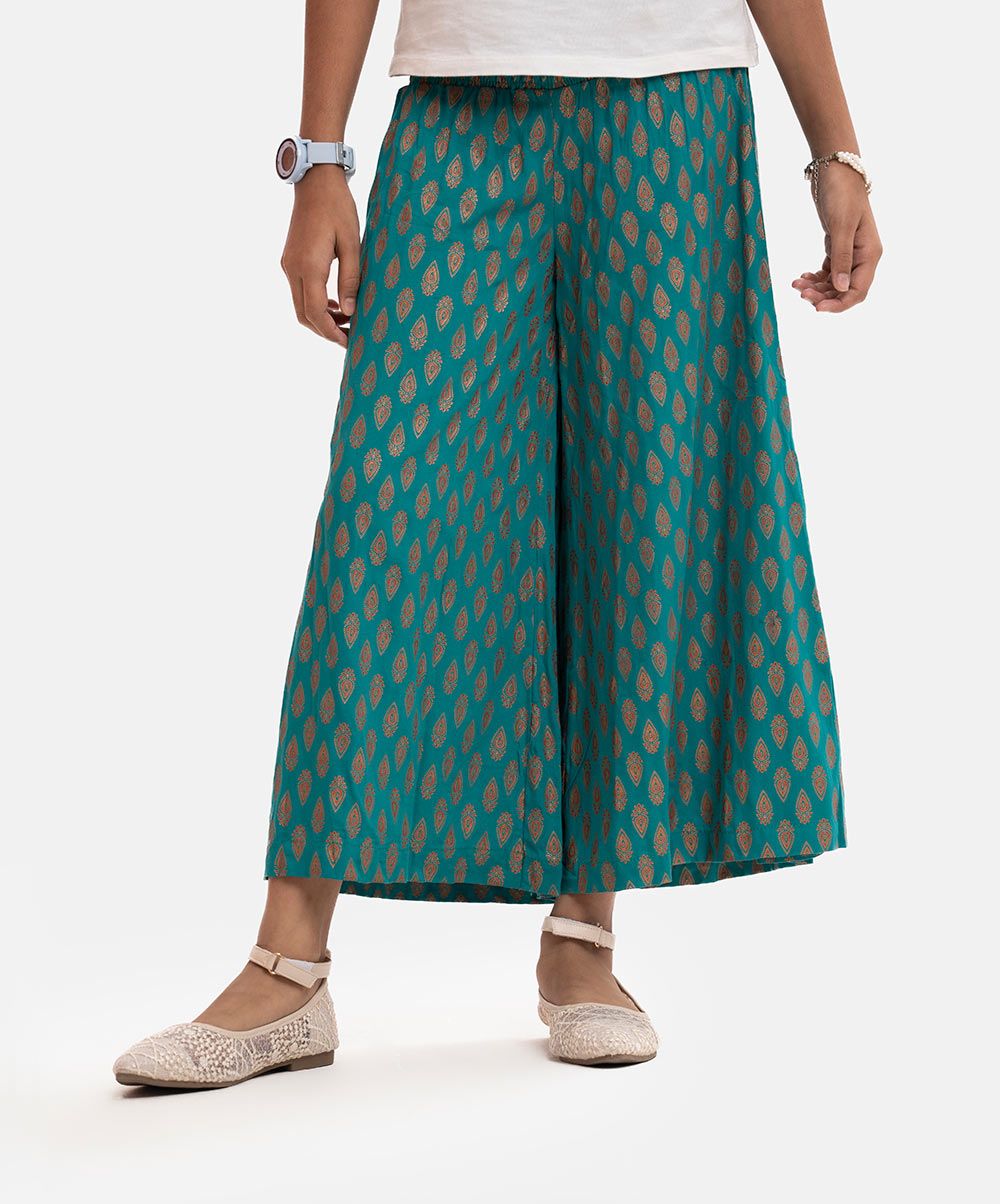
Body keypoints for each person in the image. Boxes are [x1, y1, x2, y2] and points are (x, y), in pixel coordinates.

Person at [113, 0, 879, 1088]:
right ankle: (288, 970)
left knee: (637, 505)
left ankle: (583, 939)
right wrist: (319, 159)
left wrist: (836, 151)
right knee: (386, 512)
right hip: (459, 108)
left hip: (676, 109)